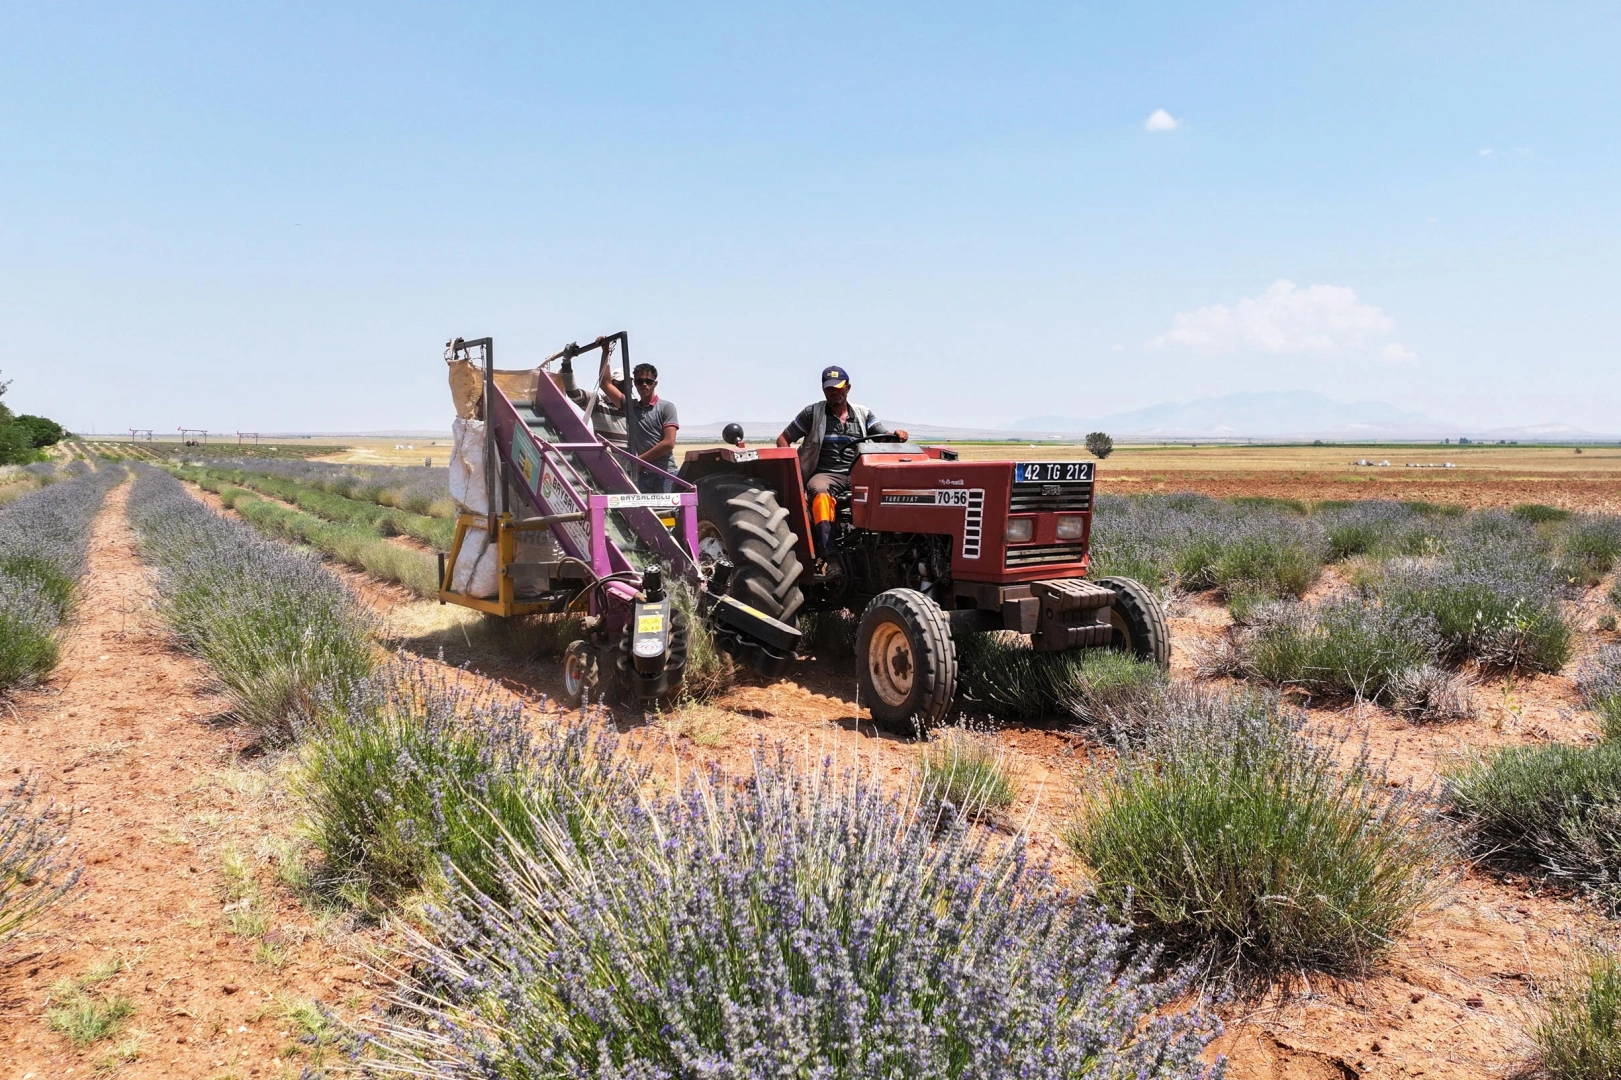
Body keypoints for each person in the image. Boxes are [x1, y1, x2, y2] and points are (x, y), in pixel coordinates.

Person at [776, 365, 908, 555]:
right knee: (821, 494)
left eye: (839, 387)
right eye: (830, 388)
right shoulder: (812, 413)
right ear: (823, 390)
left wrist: (896, 435)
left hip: (858, 472)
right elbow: (783, 439)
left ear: (848, 388)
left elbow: (882, 436)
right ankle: (829, 556)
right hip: (825, 474)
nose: (834, 392)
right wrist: (790, 470)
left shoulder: (863, 414)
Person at [626, 362, 679, 493]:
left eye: (648, 381)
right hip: (643, 476)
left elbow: (669, 443)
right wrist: (606, 352)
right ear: (634, 384)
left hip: (665, 474)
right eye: (640, 381)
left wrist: (639, 461)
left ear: (655, 383)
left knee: (667, 513)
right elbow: (606, 385)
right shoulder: (632, 408)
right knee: (644, 513)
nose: (644, 384)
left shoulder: (666, 408)